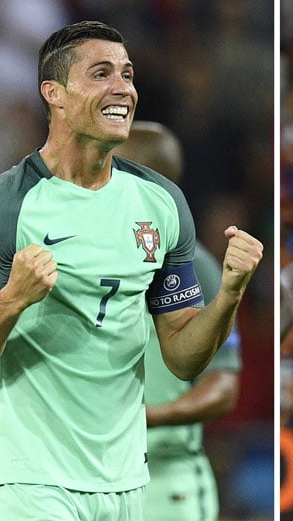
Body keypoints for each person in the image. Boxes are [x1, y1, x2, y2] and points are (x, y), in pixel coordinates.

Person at [0, 20, 263, 521]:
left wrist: (231, 293)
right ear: (55, 93)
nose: (123, 89)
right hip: (33, 476)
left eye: (128, 75)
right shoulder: (5, 206)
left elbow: (182, 358)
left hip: (127, 478)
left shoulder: (161, 203)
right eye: (101, 73)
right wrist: (12, 299)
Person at [114, 121, 242, 521]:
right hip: (89, 477)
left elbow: (222, 387)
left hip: (164, 484)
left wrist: (144, 418)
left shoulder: (193, 269)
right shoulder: (85, 259)